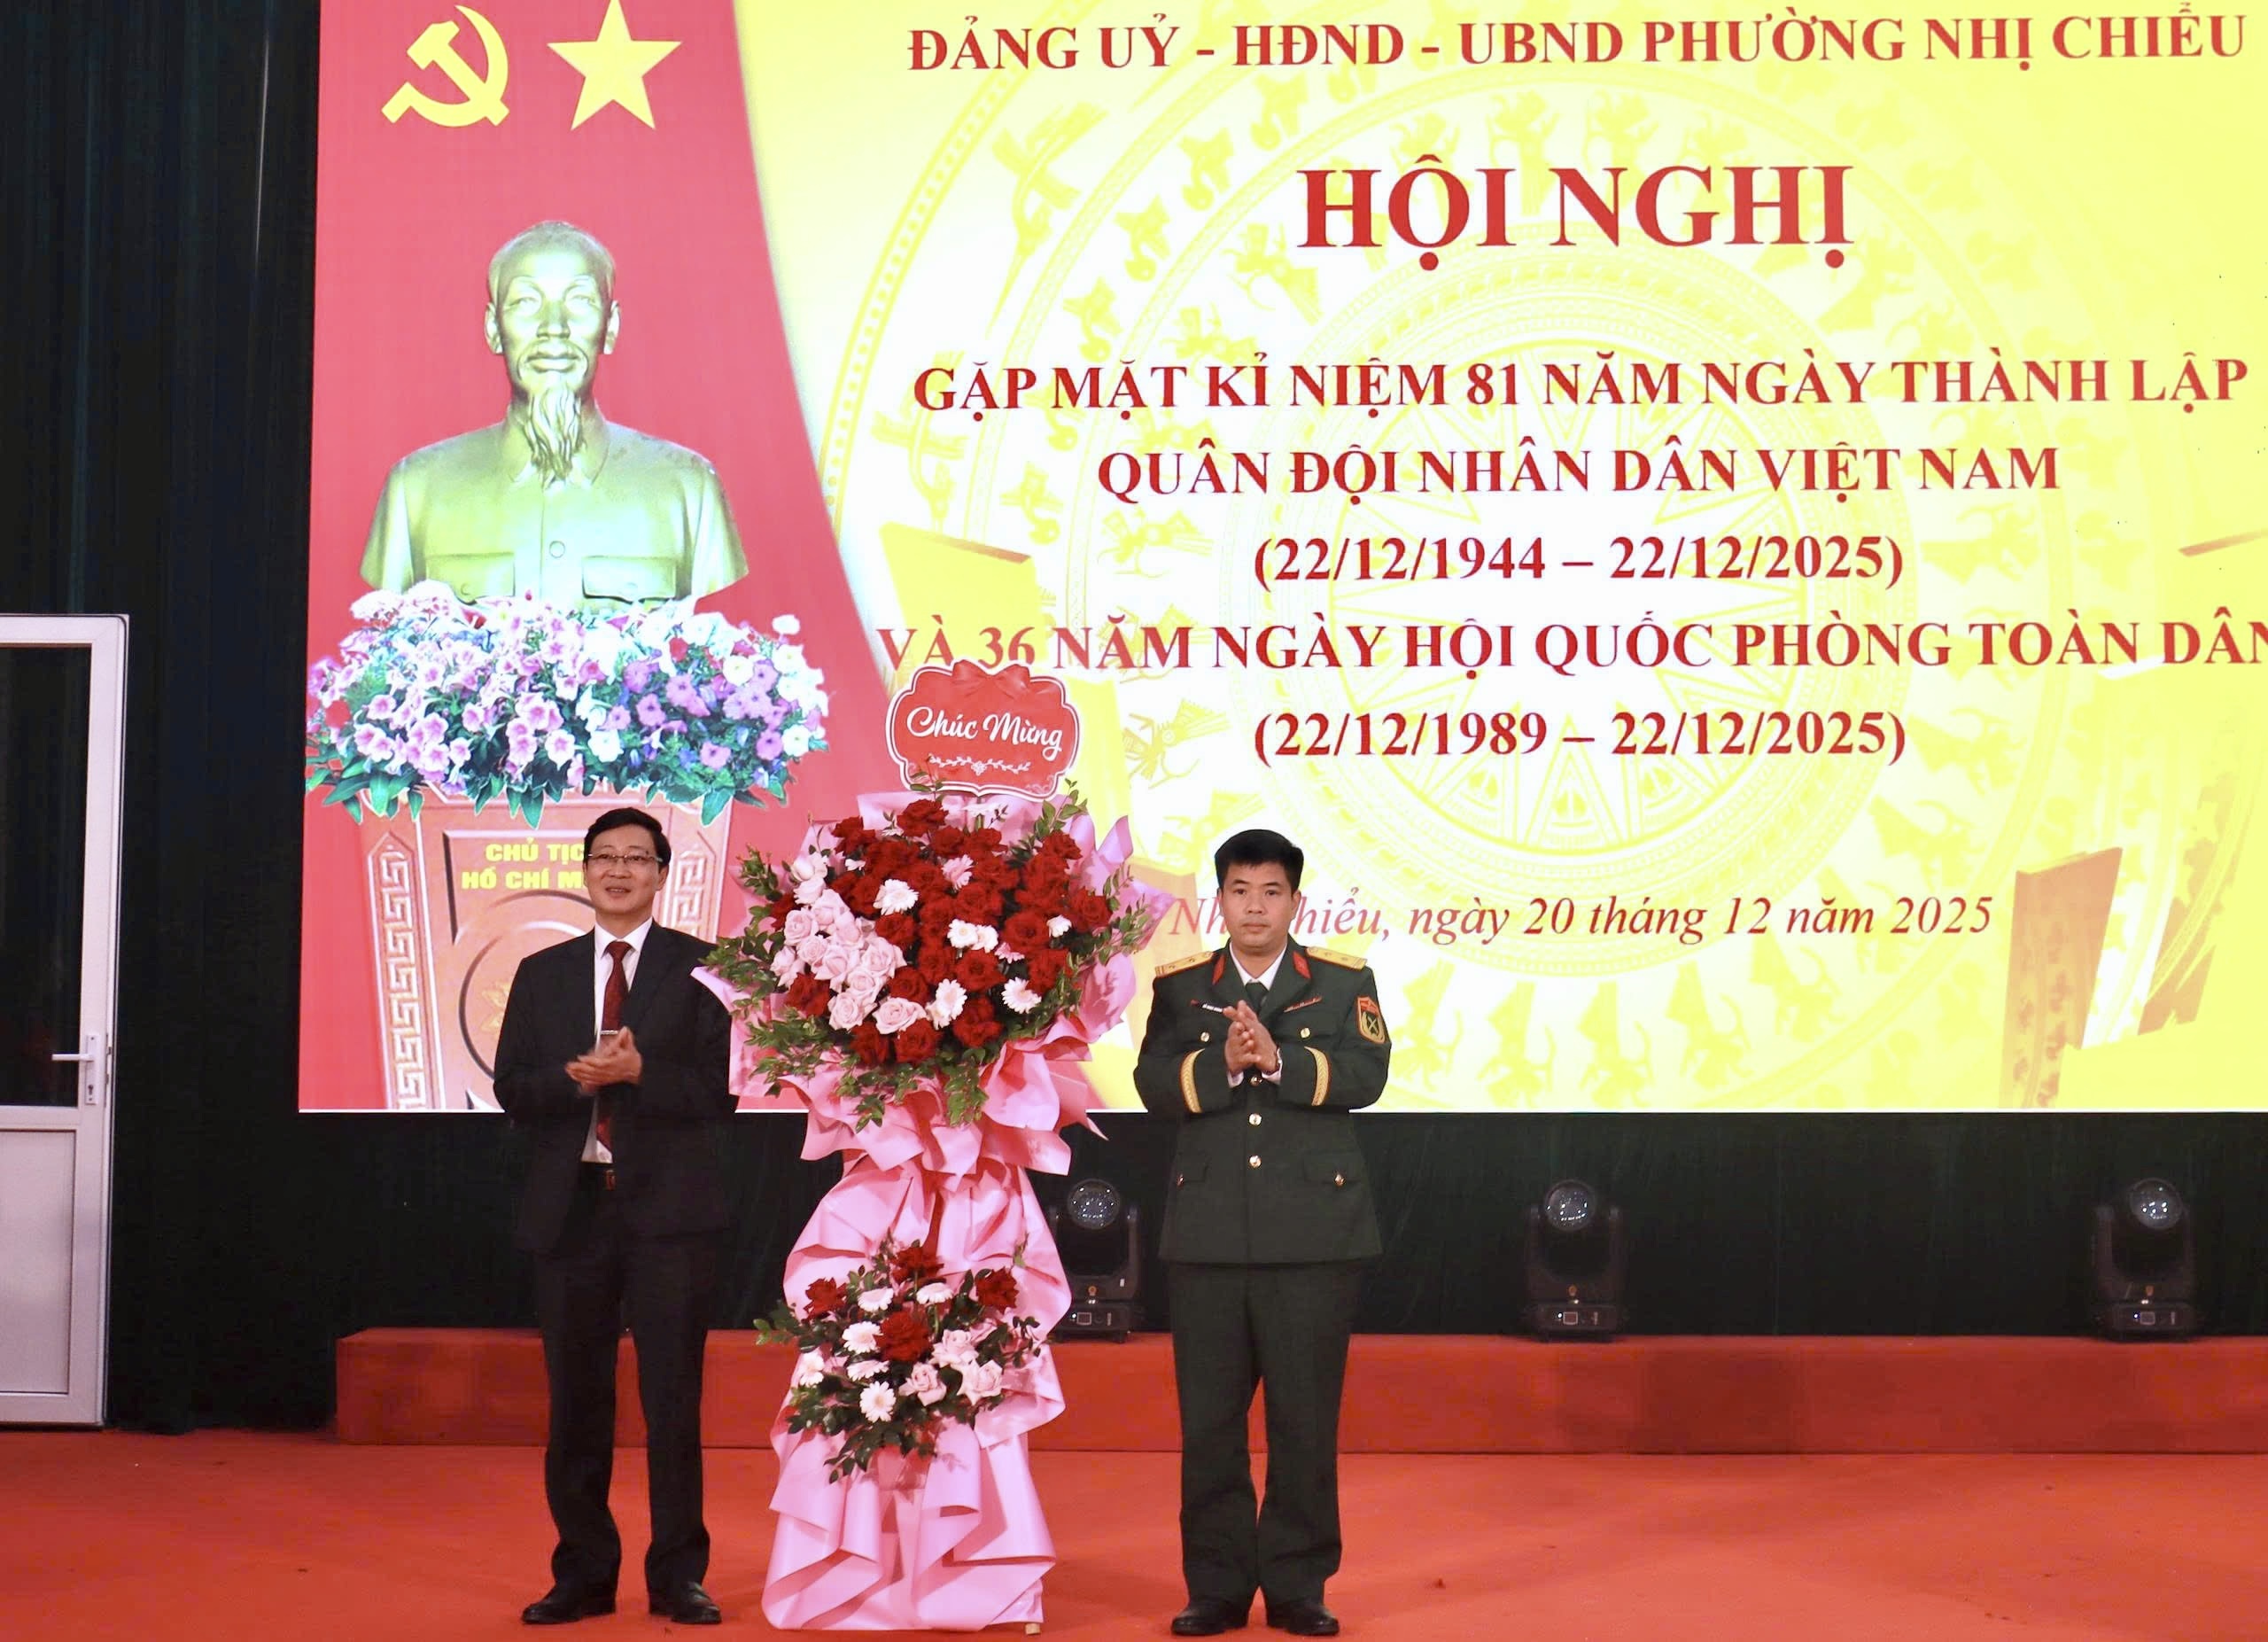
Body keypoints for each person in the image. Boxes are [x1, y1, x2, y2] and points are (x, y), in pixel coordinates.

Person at [1133, 829, 1392, 1638]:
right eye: (1241, 891)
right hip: (1208, 1237)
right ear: (1220, 901)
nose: (1255, 907)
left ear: (1295, 902)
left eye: (1271, 891)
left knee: (1304, 1424)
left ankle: (1297, 1586)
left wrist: (1279, 1061)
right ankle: (1214, 1588)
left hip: (1314, 1238)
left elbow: (1369, 1074)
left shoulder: (1343, 980)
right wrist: (1224, 1063)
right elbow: (1151, 1083)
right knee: (1209, 1426)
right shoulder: (1183, 987)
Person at [492, 807, 735, 1626]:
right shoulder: (542, 971)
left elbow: (722, 1093)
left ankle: (679, 1576)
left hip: (670, 1216)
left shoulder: (706, 970)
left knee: (673, 1401)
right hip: (572, 1212)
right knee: (576, 1402)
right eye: (605, 857)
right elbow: (512, 1087)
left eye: (637, 857)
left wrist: (639, 1074)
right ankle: (583, 1575)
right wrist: (580, 1078)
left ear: (662, 873)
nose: (620, 870)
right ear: (586, 870)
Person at [360, 220, 749, 609]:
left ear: (610, 327)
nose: (554, 327)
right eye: (525, 302)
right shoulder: (415, 490)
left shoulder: (688, 489)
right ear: (493, 328)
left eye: (580, 301)